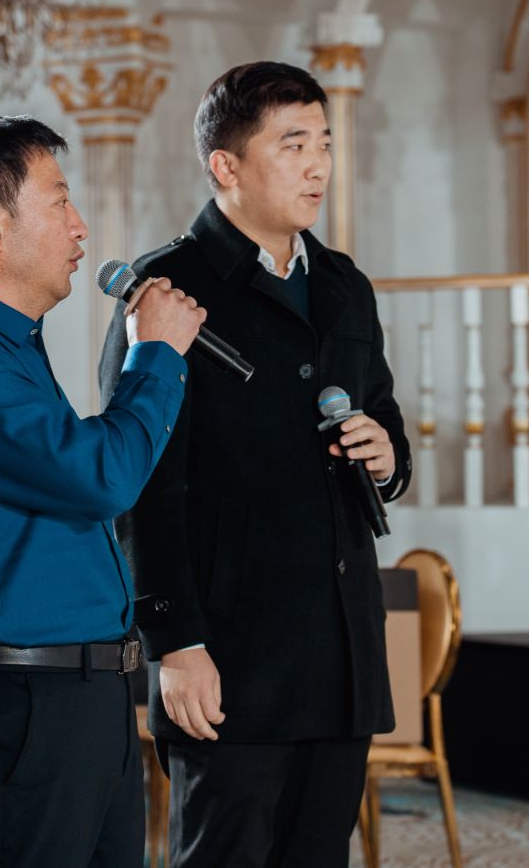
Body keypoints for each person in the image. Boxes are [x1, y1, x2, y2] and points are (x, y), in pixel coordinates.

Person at [100, 62, 412, 868]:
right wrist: (175, 643)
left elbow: (385, 417)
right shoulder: (168, 291)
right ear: (226, 165)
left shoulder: (344, 285)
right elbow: (142, 487)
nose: (319, 166)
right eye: (293, 144)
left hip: (340, 653)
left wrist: (388, 454)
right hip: (230, 659)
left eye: (326, 143)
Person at [0, 114, 205, 868]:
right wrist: (156, 355)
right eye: (59, 201)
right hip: (15, 707)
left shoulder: (4, 346)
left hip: (76, 700)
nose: (79, 225)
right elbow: (102, 477)